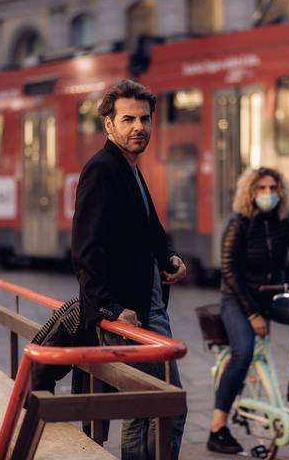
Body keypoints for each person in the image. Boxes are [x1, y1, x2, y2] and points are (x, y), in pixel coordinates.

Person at [71, 79, 188, 459]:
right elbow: (85, 251)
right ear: (109, 124)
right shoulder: (101, 170)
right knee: (164, 407)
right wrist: (112, 309)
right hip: (130, 315)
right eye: (128, 119)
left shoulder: (128, 168)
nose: (139, 127)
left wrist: (169, 258)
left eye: (145, 119)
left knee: (144, 410)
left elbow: (147, 228)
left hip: (147, 307)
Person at [207, 167, 289, 454]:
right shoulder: (238, 223)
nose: (268, 193)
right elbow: (229, 272)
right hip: (237, 298)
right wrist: (253, 315)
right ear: (250, 192)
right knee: (243, 352)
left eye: (273, 188)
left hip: (272, 294)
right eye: (261, 188)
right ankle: (217, 429)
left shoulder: (287, 220)